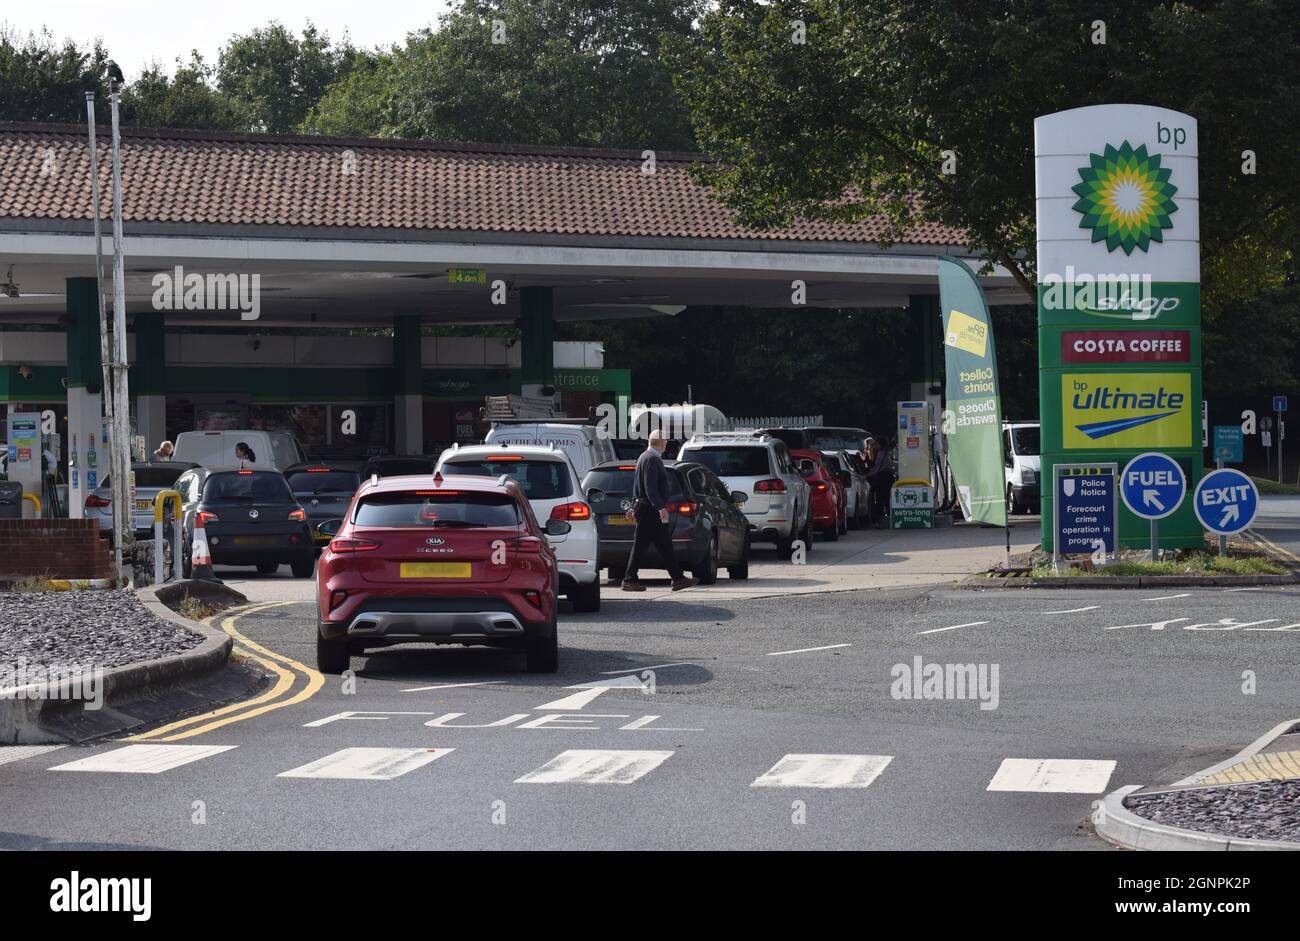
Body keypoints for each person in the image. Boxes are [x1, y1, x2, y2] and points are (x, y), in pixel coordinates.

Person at [620, 429, 697, 592]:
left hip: (646, 508)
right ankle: (629, 579)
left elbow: (637, 486)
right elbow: (650, 487)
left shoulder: (644, 457)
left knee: (664, 545)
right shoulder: (652, 459)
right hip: (650, 509)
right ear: (662, 443)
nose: (666, 444)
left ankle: (678, 578)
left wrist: (634, 506)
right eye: (665, 442)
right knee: (641, 545)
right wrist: (660, 507)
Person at [867, 437, 894, 526]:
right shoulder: (884, 453)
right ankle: (888, 517)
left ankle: (882, 519)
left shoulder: (881, 454)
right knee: (886, 498)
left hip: (883, 477)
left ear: (880, 444)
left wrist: (868, 475)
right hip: (887, 477)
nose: (874, 446)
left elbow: (878, 467)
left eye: (876, 444)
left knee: (880, 498)